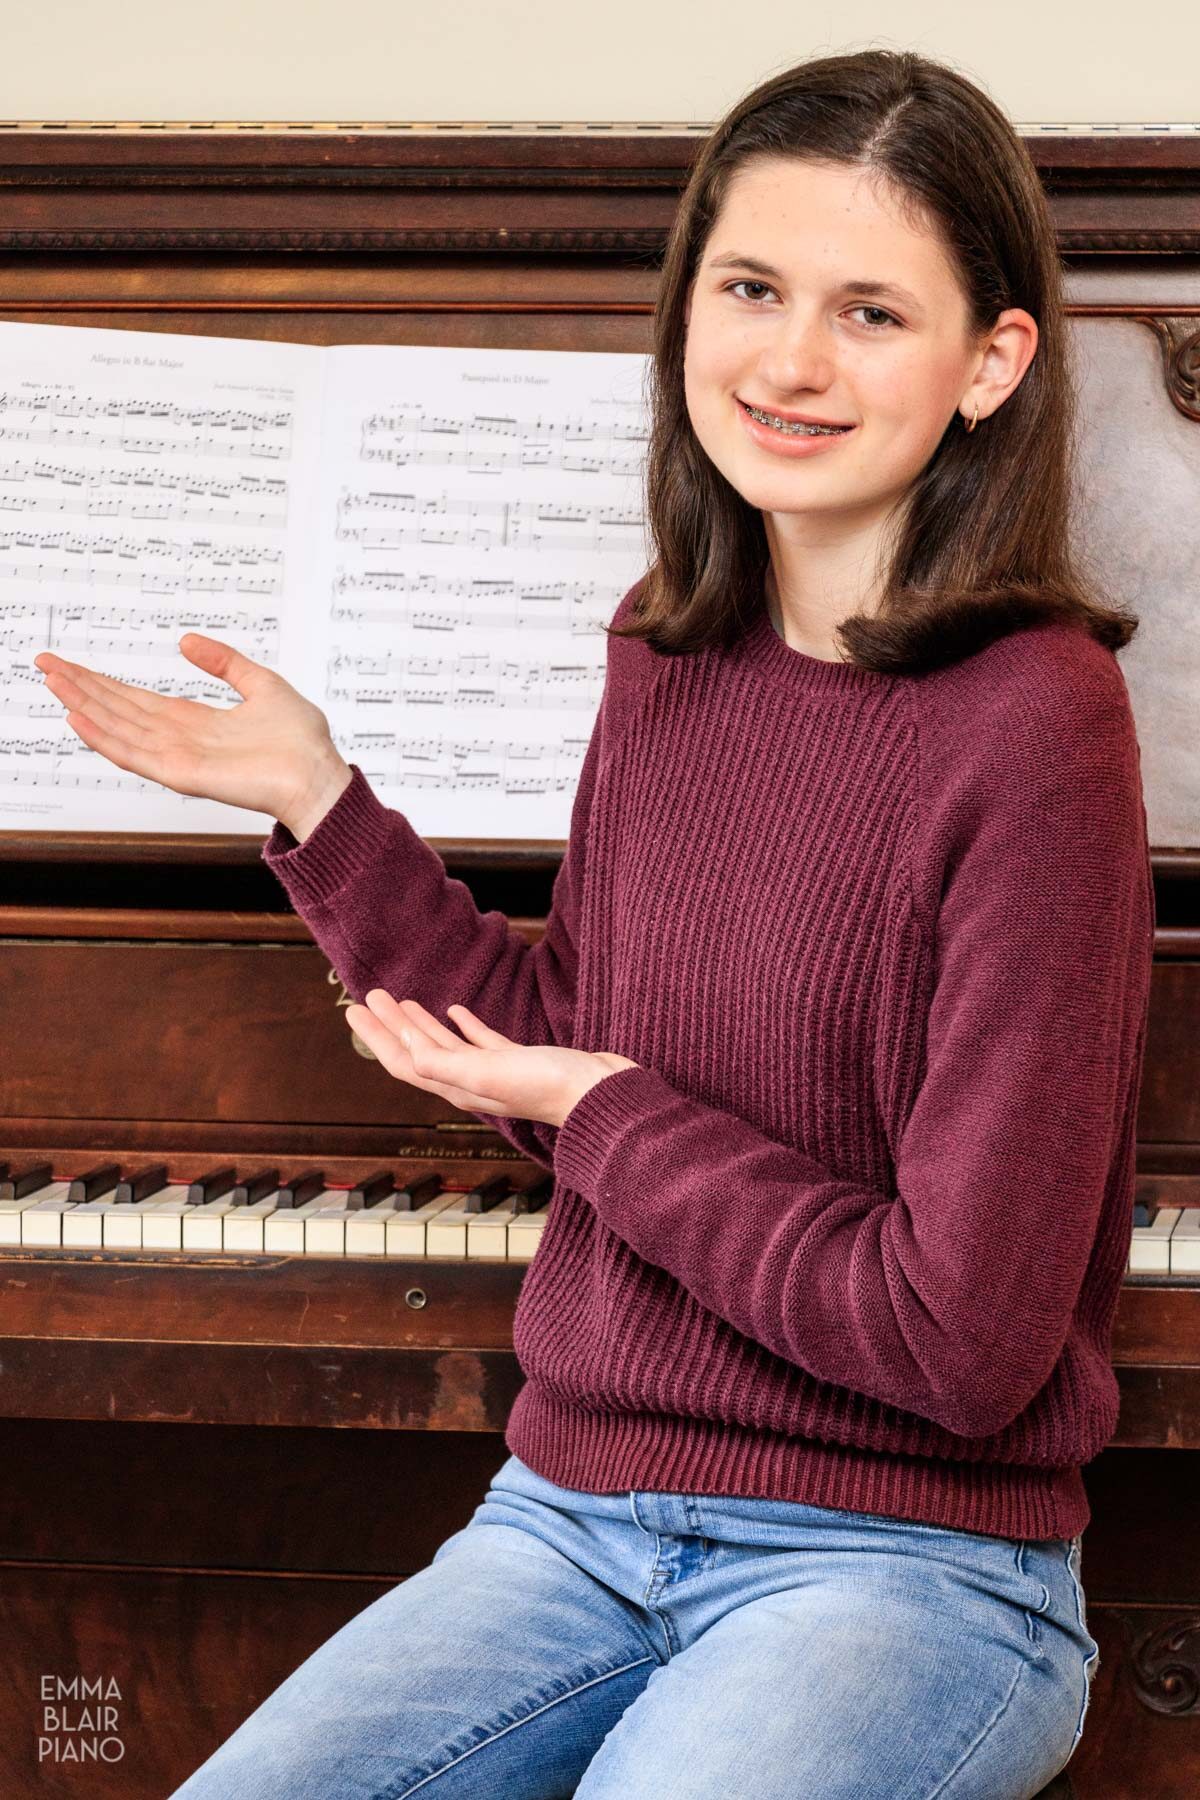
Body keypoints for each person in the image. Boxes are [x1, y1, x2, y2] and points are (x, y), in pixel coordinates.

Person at [34, 46, 1146, 1800]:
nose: (789, 361)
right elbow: (561, 1039)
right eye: (753, 288)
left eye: (871, 312)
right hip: (571, 1520)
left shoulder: (1040, 720)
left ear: (991, 361)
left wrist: (603, 1110)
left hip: (908, 1568)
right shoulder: (669, 646)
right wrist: (318, 805)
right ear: (686, 304)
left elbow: (961, 1340)